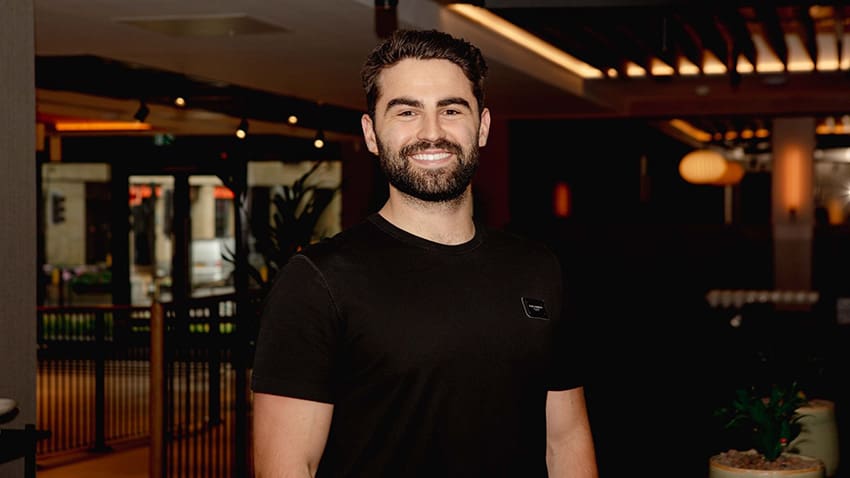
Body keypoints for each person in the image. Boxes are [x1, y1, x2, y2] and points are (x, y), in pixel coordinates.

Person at [251, 28, 598, 478]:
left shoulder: (538, 268)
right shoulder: (318, 281)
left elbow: (564, 439)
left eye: (451, 110)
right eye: (406, 112)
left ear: (483, 127)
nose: (432, 133)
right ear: (371, 133)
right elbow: (287, 466)